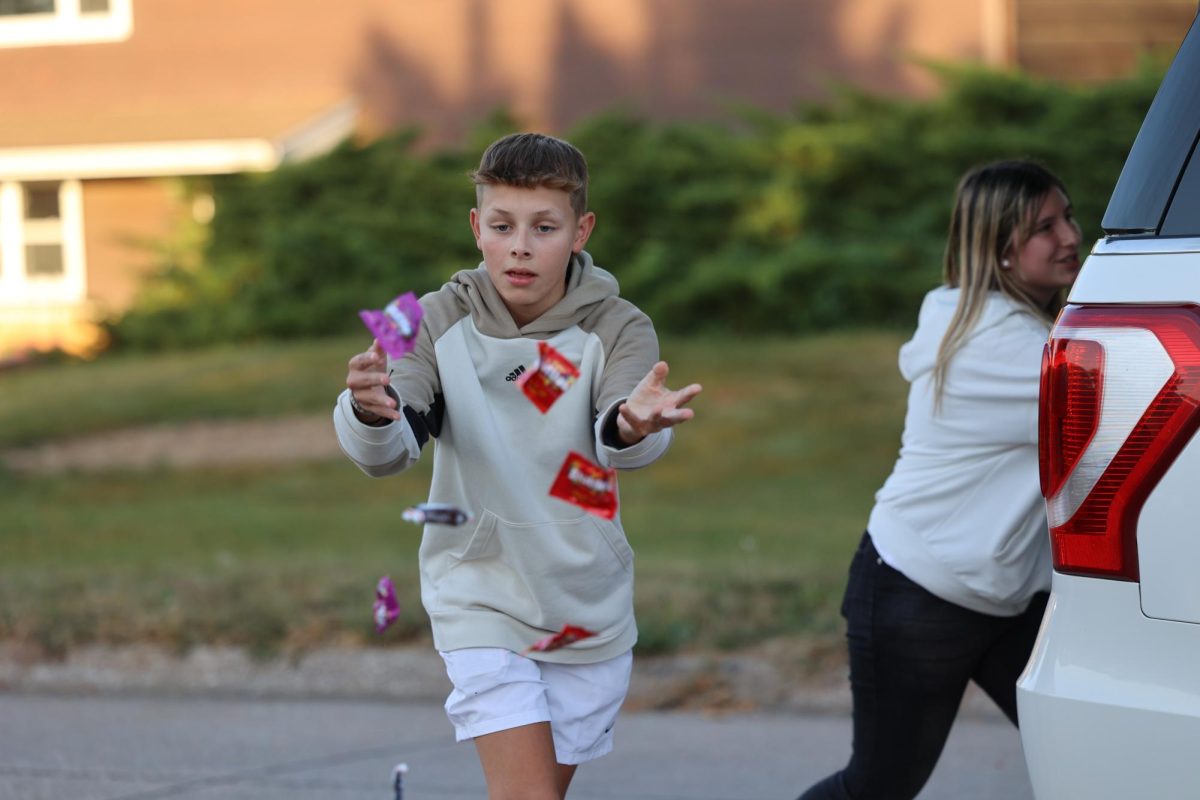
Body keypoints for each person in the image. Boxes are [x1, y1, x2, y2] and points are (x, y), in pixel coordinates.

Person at [334, 132, 701, 800]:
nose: (521, 246)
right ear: (477, 227)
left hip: (585, 602)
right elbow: (394, 440)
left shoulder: (620, 327)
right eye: (502, 226)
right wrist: (371, 410)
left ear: (581, 230)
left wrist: (634, 425)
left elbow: (619, 420)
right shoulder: (428, 321)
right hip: (478, 591)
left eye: (544, 227)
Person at [797, 159, 1082, 800]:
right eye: (1045, 226)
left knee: (1100, 760)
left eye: (1068, 215)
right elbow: (1134, 396)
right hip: (922, 593)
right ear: (1001, 250)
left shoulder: (1019, 327)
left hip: (1009, 594)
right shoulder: (997, 346)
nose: (1069, 236)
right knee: (879, 785)